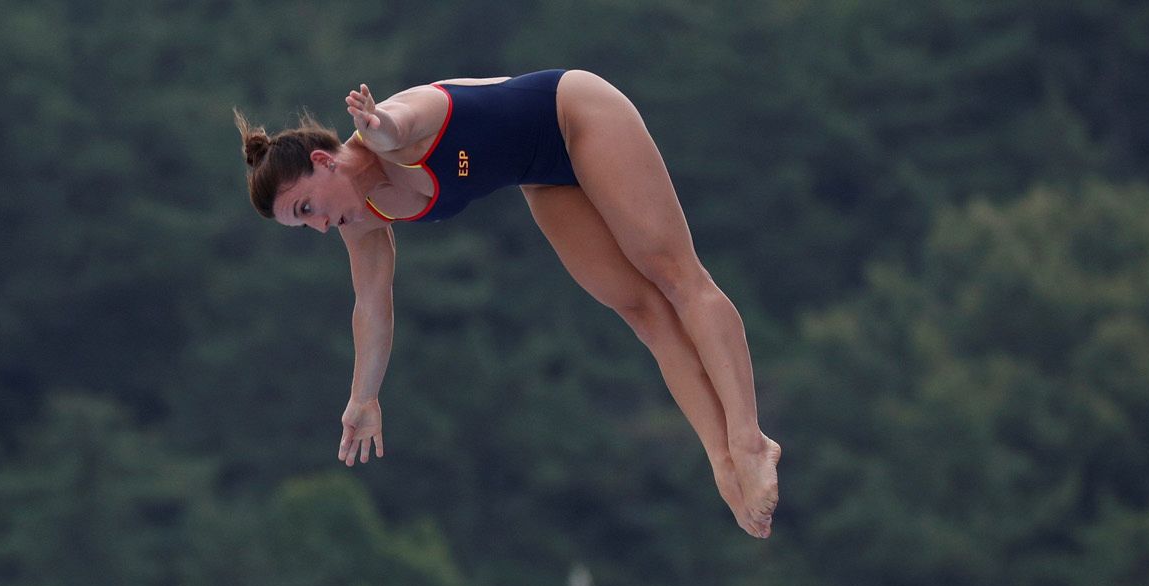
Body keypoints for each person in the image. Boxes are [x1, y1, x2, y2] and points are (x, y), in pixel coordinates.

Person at [235, 69, 780, 537]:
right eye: (301, 224)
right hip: (540, 175)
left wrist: (379, 128)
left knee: (677, 277)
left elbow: (403, 119)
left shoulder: (393, 125)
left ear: (324, 161)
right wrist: (364, 396)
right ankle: (722, 459)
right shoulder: (363, 224)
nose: (320, 226)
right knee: (642, 312)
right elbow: (371, 309)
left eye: (307, 207)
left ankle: (749, 439)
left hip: (576, 113)